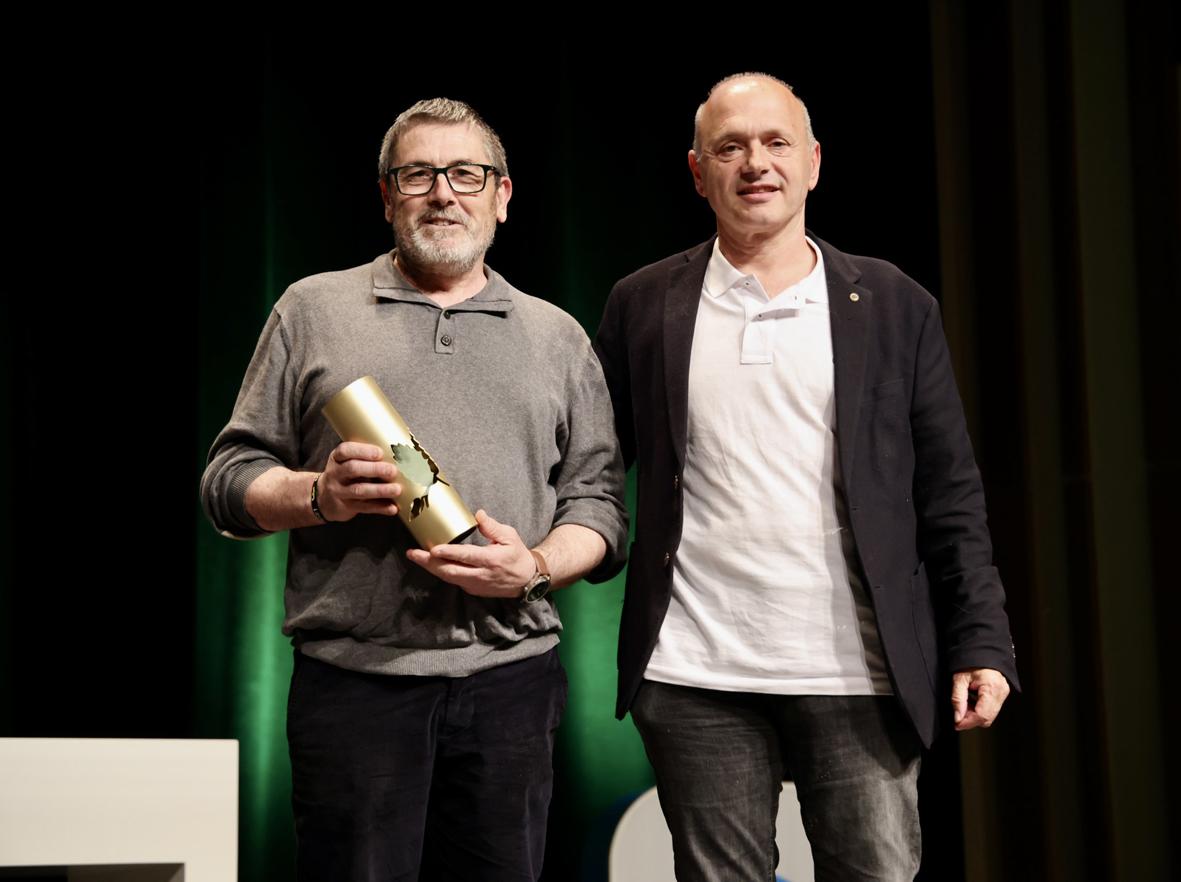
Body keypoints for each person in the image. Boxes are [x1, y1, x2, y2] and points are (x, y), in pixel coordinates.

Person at [593, 73, 1020, 881]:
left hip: (857, 671)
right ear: (697, 172)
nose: (755, 163)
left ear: (813, 162)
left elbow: (949, 492)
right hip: (694, 669)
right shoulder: (643, 303)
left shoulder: (892, 303)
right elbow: (594, 466)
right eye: (730, 147)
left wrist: (980, 640)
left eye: (775, 142)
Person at [201, 97, 628, 882]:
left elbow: (598, 504)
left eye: (466, 174)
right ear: (386, 196)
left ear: (502, 195)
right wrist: (319, 495)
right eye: (418, 174)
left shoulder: (557, 335)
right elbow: (228, 481)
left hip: (513, 685)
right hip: (355, 686)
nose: (442, 193)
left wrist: (533, 567)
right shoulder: (312, 309)